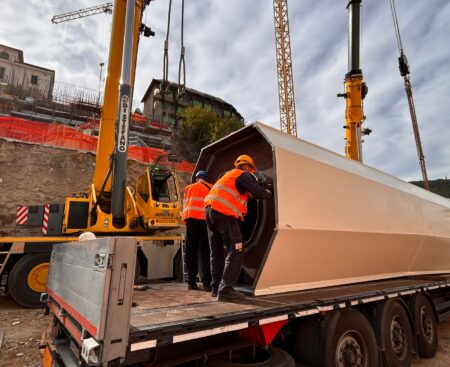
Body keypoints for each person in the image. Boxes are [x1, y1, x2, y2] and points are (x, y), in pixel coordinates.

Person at [204, 155, 272, 301]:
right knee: (236, 248)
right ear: (247, 167)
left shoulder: (227, 176)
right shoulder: (242, 175)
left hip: (210, 212)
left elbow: (235, 198)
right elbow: (259, 193)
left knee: (216, 252)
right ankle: (226, 289)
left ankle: (216, 288)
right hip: (223, 212)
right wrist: (268, 192)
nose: (250, 172)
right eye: (250, 169)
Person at [182, 170, 213, 291]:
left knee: (191, 251)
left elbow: (186, 204)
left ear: (197, 178)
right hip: (205, 221)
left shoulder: (188, 188)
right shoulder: (210, 187)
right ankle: (206, 283)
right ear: (206, 178)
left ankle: (191, 282)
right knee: (206, 252)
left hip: (191, 220)